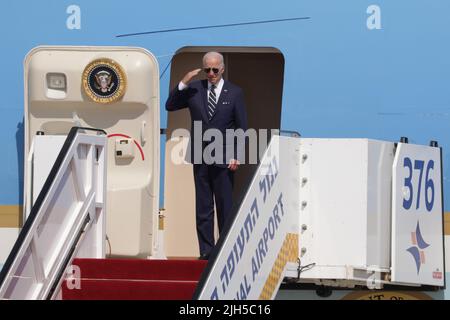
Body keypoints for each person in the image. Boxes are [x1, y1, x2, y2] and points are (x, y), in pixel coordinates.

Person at [166, 52, 248, 260]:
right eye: (207, 70)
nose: (211, 74)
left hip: (224, 157)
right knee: (203, 207)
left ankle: (226, 250)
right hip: (200, 155)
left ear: (222, 68)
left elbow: (241, 127)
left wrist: (237, 154)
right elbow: (171, 105)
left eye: (214, 69)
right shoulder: (194, 89)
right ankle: (206, 251)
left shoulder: (235, 93)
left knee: (224, 205)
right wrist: (184, 82)